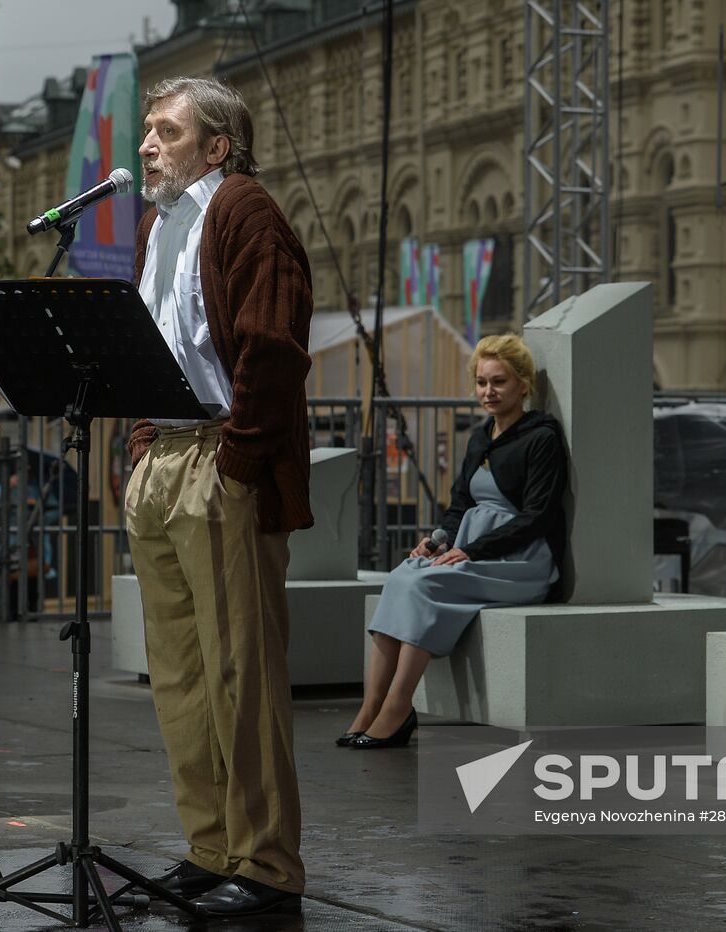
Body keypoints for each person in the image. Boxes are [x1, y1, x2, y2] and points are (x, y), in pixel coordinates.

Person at [122, 77, 312, 917]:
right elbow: (148, 340)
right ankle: (210, 846)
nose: (146, 144)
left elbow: (270, 347)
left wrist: (235, 461)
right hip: (162, 454)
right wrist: (138, 447)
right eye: (147, 131)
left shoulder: (244, 211)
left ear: (217, 145)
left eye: (166, 131)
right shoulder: (158, 224)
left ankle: (265, 863)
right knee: (181, 674)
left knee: (241, 673)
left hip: (217, 453)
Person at [339, 334, 567, 748]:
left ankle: (398, 705)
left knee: (424, 585)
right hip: (472, 548)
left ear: (523, 385)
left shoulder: (542, 438)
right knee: (403, 575)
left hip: (520, 561)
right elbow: (461, 501)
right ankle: (371, 704)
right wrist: (439, 540)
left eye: (499, 381)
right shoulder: (481, 437)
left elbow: (538, 516)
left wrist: (474, 550)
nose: (488, 391)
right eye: (482, 382)